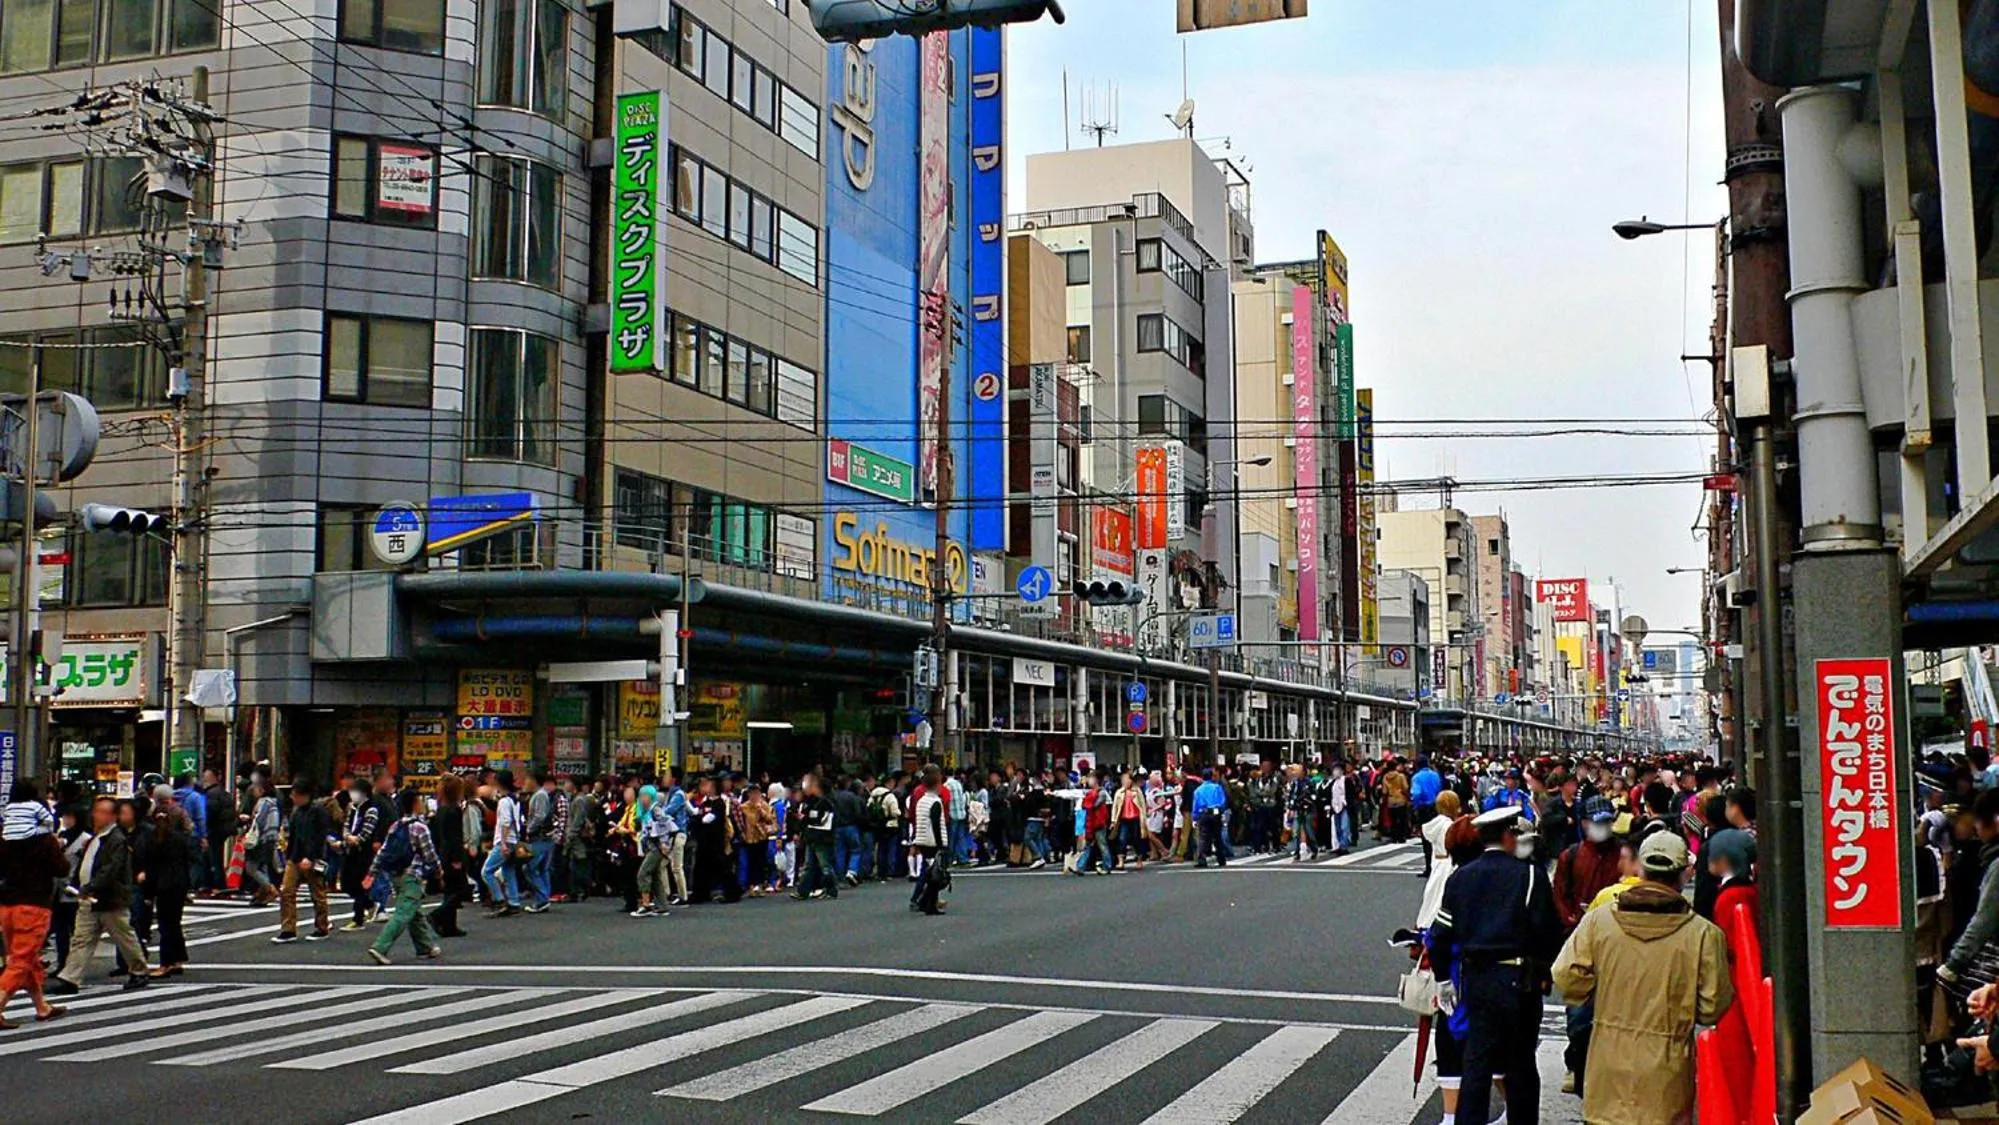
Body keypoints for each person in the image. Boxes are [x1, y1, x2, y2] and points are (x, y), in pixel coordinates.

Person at [1552, 832, 1735, 1125]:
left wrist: (1596, 994)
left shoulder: (1600, 922)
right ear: (1683, 875)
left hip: (1607, 1064)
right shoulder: (1702, 934)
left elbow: (1566, 977)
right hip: (1668, 1070)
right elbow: (1713, 1005)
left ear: (1640, 869)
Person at [1426, 807, 1564, 1125]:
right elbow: (1547, 932)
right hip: (1519, 977)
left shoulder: (1461, 876)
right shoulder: (1529, 874)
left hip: (1476, 977)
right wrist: (1544, 973)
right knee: (1520, 1063)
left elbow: (1440, 934)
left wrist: (1444, 977)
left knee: (1477, 1059)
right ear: (1507, 836)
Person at [48, 796, 150, 994]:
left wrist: (91, 886)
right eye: (96, 811)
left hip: (109, 898)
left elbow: (111, 869)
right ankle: (70, 977)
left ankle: (139, 970)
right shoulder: (96, 836)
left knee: (124, 936)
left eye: (103, 812)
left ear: (113, 816)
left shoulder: (116, 839)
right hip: (90, 897)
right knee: (81, 939)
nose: (97, 816)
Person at [0, 780, 70, 1027]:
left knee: (24, 957)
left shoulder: (5, 837)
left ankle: (42, 1006)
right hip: (35, 904)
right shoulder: (43, 840)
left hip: (7, 905)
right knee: (21, 959)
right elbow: (62, 869)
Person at [363, 789, 444, 964]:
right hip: (412, 874)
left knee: (414, 911)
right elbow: (429, 855)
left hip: (395, 875)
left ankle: (425, 947)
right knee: (404, 912)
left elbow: (383, 852)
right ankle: (380, 946)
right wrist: (438, 871)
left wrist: (372, 872)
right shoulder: (420, 827)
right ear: (415, 803)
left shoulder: (396, 826)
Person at [138, 792, 196, 979]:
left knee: (166, 925)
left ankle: (166, 963)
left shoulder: (153, 840)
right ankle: (177, 960)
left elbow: (151, 868)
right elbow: (190, 861)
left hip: (163, 886)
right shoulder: (179, 839)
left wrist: (148, 893)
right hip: (179, 885)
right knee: (174, 924)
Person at [272, 778, 334, 944]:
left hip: (312, 858)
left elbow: (320, 836)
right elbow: (294, 835)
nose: (293, 797)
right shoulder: (296, 812)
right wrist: (289, 854)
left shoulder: (318, 811)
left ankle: (322, 927)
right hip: (295, 856)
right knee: (287, 891)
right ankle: (288, 928)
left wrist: (313, 857)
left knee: (318, 893)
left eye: (296, 794)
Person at [428, 775, 474, 938]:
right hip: (453, 854)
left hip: (442, 853)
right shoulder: (454, 810)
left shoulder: (440, 811)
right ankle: (438, 914)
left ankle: (450, 926)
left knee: (450, 890)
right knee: (460, 890)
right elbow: (454, 837)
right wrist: (456, 858)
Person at [481, 770, 525, 918]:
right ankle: (514, 902)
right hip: (515, 840)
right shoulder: (515, 799)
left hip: (504, 841)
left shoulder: (504, 801)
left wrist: (504, 843)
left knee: (487, 871)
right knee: (508, 871)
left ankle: (499, 900)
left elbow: (505, 822)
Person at [909, 765, 949, 915]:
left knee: (928, 872)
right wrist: (941, 844)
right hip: (932, 840)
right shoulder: (935, 802)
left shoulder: (921, 800)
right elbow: (936, 824)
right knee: (934, 875)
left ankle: (924, 901)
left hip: (922, 838)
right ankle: (928, 903)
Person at [240, 779, 282, 906]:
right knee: (262, 867)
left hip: (261, 839)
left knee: (251, 867)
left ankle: (270, 889)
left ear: (262, 790)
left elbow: (259, 821)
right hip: (270, 838)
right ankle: (263, 893)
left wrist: (249, 821)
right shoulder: (274, 803)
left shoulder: (264, 803)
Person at [1411, 756, 1444, 873]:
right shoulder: (1435, 775)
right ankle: (1437, 863)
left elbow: (1416, 793)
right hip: (1436, 806)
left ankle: (1428, 866)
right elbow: (1440, 788)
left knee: (1426, 837)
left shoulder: (1417, 777)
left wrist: (1415, 805)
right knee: (1437, 836)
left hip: (1424, 808)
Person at [1192, 770, 1228, 868]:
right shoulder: (1217, 787)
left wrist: (1194, 818)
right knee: (1217, 836)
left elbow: (1195, 805)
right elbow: (1223, 801)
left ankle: (1202, 859)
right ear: (1212, 776)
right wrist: (1222, 810)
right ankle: (1221, 858)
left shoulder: (1198, 790)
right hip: (1216, 812)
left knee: (1203, 837)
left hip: (1203, 813)